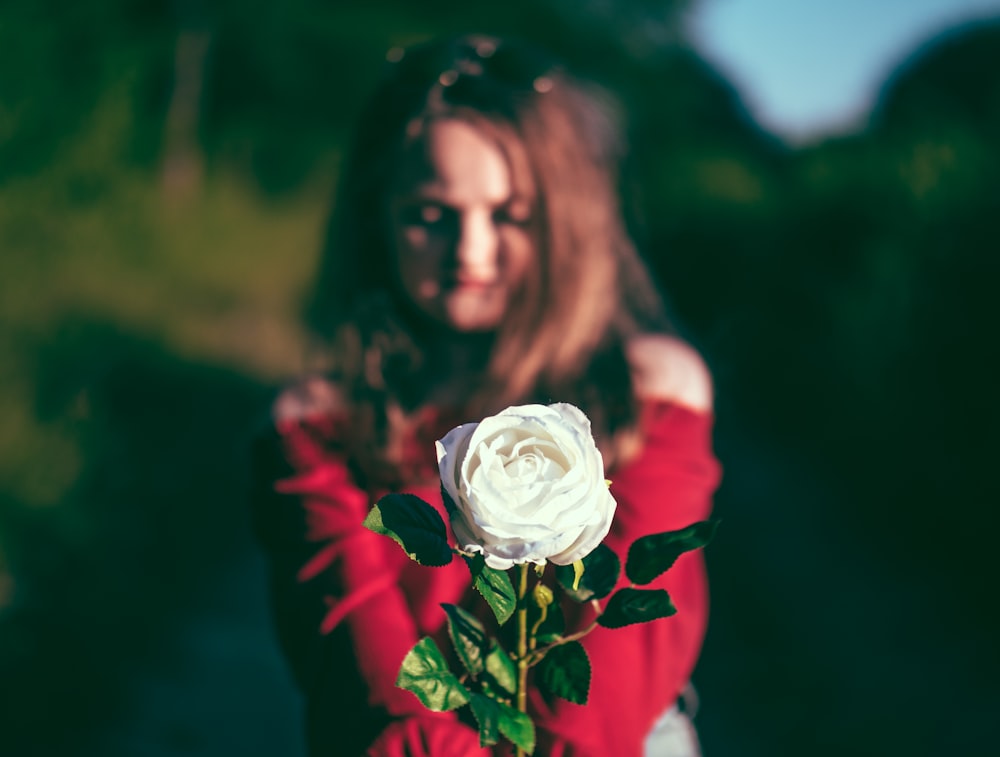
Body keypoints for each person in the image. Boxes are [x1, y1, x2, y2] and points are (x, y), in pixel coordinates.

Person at [251, 34, 720, 756]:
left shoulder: (644, 394)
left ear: (566, 220)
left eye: (510, 215)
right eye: (431, 214)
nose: (470, 252)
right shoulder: (322, 423)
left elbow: (597, 702)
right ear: (378, 216)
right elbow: (375, 693)